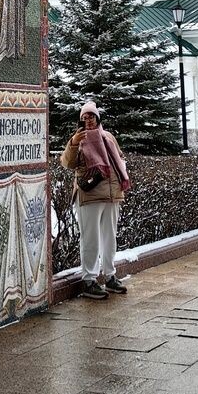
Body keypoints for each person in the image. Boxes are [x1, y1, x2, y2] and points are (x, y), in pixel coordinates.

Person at [60, 100, 130, 300]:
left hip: (112, 194)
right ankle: (89, 280)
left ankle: (110, 276)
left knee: (110, 238)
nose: (88, 120)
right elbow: (67, 162)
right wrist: (74, 143)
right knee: (90, 239)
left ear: (98, 118)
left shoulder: (108, 137)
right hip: (89, 195)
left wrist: (120, 180)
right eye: (85, 117)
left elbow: (119, 158)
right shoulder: (78, 139)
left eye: (91, 116)